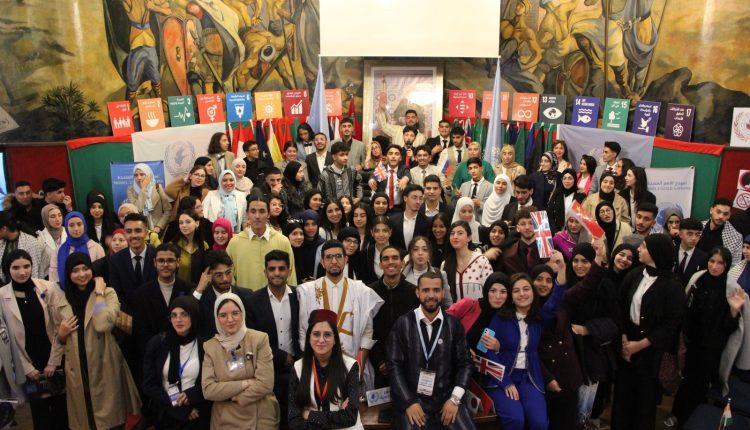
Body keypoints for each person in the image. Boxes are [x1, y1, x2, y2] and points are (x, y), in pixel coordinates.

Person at [54, 252, 141, 429]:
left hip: (104, 364)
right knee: (86, 417)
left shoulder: (108, 293)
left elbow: (102, 324)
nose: (81, 274)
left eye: (85, 269)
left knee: (111, 419)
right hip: (78, 369)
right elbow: (59, 340)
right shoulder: (62, 301)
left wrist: (99, 293)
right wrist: (61, 335)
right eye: (75, 270)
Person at [612, 234, 685, 430]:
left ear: (655, 253)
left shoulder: (672, 286)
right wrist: (624, 339)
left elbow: (671, 324)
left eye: (643, 247)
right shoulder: (635, 274)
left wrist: (640, 345)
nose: (639, 250)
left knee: (644, 401)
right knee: (623, 396)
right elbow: (619, 306)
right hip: (627, 343)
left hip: (651, 350)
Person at [387, 272, 475, 429]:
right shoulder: (403, 324)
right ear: (418, 292)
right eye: (426, 290)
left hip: (447, 399)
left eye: (436, 290)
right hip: (413, 399)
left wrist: (454, 399)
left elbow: (466, 364)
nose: (431, 295)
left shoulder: (453, 325)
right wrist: (409, 402)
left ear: (443, 293)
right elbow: (394, 366)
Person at [296, 240, 385, 389]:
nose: (334, 261)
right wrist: (316, 365)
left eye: (338, 256)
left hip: (353, 362)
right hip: (318, 365)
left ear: (346, 259)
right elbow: (303, 331)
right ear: (322, 262)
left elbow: (367, 332)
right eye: (329, 257)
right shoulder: (308, 291)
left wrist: (359, 365)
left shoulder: (361, 291)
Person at [485, 271, 564, 430]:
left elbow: (554, 302)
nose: (522, 294)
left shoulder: (538, 318)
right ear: (511, 296)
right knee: (515, 419)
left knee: (540, 422)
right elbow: (484, 349)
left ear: (533, 293)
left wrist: (561, 274)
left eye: (526, 289)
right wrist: (505, 382)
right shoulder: (499, 317)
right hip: (502, 378)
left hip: (529, 378)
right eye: (516, 290)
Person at [673, 247, 742, 427]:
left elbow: (729, 328)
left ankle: (692, 420)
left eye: (720, 263)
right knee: (687, 379)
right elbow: (687, 308)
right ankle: (679, 415)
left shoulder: (730, 288)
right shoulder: (699, 278)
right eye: (712, 261)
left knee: (701, 384)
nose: (714, 266)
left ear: (726, 265)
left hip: (712, 347)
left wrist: (734, 311)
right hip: (692, 341)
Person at [0, 250, 67, 430]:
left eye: (26, 266)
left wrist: (54, 361)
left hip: (54, 356)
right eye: (16, 268)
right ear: (7, 270)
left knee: (62, 411)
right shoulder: (1, 296)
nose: (22, 272)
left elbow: (59, 326)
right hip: (28, 363)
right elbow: (7, 340)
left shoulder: (48, 287)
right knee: (40, 414)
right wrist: (26, 368)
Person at [201, 292, 279, 429]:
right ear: (216, 318)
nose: (230, 319)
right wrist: (245, 383)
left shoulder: (259, 339)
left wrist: (233, 397)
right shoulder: (210, 347)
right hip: (225, 417)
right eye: (223, 315)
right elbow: (208, 390)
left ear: (242, 313)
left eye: (235, 313)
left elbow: (266, 384)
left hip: (260, 413)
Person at [247, 250, 301, 429]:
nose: (277, 273)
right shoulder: (253, 300)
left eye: (281, 268)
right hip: (267, 371)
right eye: (272, 269)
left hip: (298, 369)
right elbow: (252, 338)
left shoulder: (299, 296)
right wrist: (281, 356)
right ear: (265, 272)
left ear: (289, 271)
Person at [566, 243, 618, 429]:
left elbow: (614, 322)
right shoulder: (568, 281)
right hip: (569, 351)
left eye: (585, 261)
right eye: (576, 261)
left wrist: (587, 329)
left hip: (591, 352)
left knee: (584, 403)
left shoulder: (605, 285)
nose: (579, 266)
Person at [142, 295, 211, 429]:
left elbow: (211, 382)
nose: (178, 319)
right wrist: (178, 406)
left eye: (184, 314)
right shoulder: (158, 343)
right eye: (173, 315)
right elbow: (149, 385)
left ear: (193, 316)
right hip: (166, 410)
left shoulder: (205, 345)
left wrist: (192, 395)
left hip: (196, 411)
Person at [289, 309, 364, 429]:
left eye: (327, 335)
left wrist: (309, 414)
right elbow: (293, 420)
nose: (321, 340)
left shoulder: (350, 366)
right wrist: (337, 416)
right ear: (309, 338)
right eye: (316, 334)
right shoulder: (298, 368)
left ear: (335, 339)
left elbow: (349, 417)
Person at [369, 246, 419, 388]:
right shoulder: (369, 291)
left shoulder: (414, 292)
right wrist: (379, 360)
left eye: (395, 258)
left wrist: (403, 360)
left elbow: (416, 330)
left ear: (402, 263)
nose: (390, 262)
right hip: (378, 365)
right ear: (380, 265)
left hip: (407, 364)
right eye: (386, 259)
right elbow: (367, 329)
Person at [133, 242, 196, 355]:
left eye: (170, 260)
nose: (165, 264)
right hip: (154, 353)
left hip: (184, 352)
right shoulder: (141, 293)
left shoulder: (188, 289)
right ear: (155, 263)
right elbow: (140, 332)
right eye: (161, 261)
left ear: (178, 262)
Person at [226, 192, 297, 291]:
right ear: (247, 214)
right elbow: (229, 277)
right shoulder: (235, 243)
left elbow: (290, 275)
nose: (257, 216)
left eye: (262, 211)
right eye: (253, 211)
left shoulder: (282, 241)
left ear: (268, 214)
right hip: (244, 299)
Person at [109, 213, 158, 342]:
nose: (133, 235)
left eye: (138, 230)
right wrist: (132, 317)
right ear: (125, 234)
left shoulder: (158, 255)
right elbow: (116, 293)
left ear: (146, 233)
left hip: (155, 321)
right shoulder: (116, 260)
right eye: (129, 231)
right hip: (128, 325)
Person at [192, 250, 252, 339]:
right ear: (208, 275)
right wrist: (199, 290)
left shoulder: (246, 295)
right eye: (219, 275)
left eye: (228, 273)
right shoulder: (201, 297)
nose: (225, 279)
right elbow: (189, 318)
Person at [447, 272, 509, 352]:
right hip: (459, 357)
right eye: (493, 291)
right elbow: (442, 323)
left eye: (503, 292)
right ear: (486, 291)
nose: (498, 296)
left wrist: (498, 348)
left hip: (486, 360)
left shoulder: (508, 317)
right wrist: (462, 348)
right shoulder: (468, 305)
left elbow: (511, 349)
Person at [442, 220, 493, 302]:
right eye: (452, 233)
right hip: (454, 310)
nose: (455, 236)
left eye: (460, 233)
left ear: (469, 237)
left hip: (479, 309)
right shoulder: (445, 264)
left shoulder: (482, 261)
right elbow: (444, 297)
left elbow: (490, 291)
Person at [50, 211, 105, 287]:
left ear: (84, 225)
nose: (76, 228)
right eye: (71, 225)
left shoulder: (96, 248)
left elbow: (101, 274)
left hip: (93, 291)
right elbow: (54, 279)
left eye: (79, 224)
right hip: (64, 293)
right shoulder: (58, 251)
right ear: (66, 227)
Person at [127, 163, 172, 234]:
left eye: (142, 174)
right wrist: (143, 189)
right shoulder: (131, 190)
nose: (139, 178)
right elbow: (137, 210)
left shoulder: (157, 187)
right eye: (136, 175)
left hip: (159, 230)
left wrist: (159, 226)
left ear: (148, 175)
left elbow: (168, 210)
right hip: (142, 231)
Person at [500, 208, 547, 275]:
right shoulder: (508, 254)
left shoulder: (548, 252)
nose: (527, 227)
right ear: (517, 228)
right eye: (523, 224)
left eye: (531, 223)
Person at [697, 197, 744, 264]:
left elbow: (734, 265)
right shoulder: (699, 227)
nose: (721, 216)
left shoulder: (736, 237)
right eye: (718, 212)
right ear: (711, 210)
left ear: (729, 215)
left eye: (725, 214)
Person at [0, 212, 43, 283]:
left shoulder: (31, 242)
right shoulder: (2, 242)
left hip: (29, 285)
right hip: (6, 286)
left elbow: (35, 272)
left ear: (4, 229)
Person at [368, 145, 411, 211]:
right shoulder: (381, 168)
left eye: (396, 154)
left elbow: (407, 174)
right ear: (386, 157)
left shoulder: (403, 168)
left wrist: (405, 179)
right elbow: (373, 175)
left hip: (399, 208)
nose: (393, 156)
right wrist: (371, 180)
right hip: (382, 207)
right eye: (390, 154)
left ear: (400, 158)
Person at [170, 210, 208, 285]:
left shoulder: (203, 246)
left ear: (197, 223)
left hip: (198, 288)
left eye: (188, 222)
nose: (184, 225)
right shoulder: (172, 246)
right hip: (177, 288)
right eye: (181, 223)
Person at [389, 184, 429, 251]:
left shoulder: (427, 221)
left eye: (420, 198)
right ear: (405, 198)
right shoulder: (393, 220)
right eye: (414, 198)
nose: (418, 202)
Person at [547, 168, 586, 233]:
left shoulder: (580, 195)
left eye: (570, 178)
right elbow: (549, 213)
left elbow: (583, 217)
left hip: (575, 231)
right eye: (564, 178)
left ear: (575, 180)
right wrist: (555, 231)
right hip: (558, 231)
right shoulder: (557, 193)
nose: (566, 181)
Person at [674, 217, 708, 286]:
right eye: (690, 234)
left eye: (697, 235)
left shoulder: (704, 258)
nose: (694, 238)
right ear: (680, 234)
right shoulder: (670, 252)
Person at [36, 204, 66, 278]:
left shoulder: (68, 232)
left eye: (59, 215)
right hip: (50, 277)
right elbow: (39, 265)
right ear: (46, 219)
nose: (58, 219)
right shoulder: (40, 239)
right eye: (53, 216)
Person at [297, 210, 325, 283]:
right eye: (306, 224)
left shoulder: (323, 244)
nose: (310, 228)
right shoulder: (297, 244)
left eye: (314, 224)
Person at [363, 216, 392, 284]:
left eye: (385, 231)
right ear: (372, 233)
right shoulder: (365, 254)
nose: (381, 234)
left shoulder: (401, 254)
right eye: (377, 231)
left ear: (390, 232)